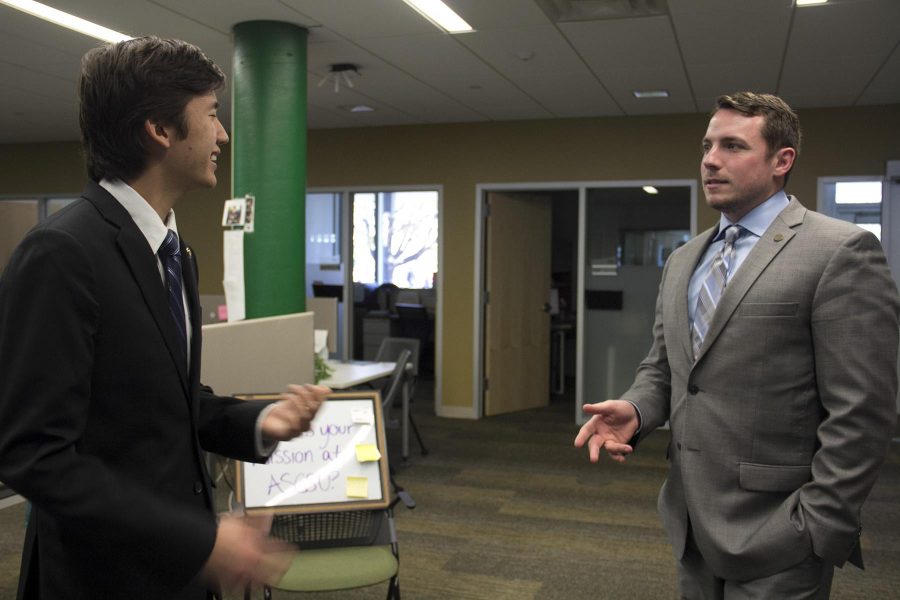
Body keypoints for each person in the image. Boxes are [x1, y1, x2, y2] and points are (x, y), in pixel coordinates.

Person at [0, 36, 330, 599]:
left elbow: (169, 400)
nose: (223, 134)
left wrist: (256, 420)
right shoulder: (62, 253)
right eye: (211, 115)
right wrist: (201, 541)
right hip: (102, 579)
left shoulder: (177, 252)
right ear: (160, 129)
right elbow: (33, 455)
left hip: (178, 573)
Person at [575, 92, 899, 598]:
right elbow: (665, 368)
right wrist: (637, 409)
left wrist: (818, 524)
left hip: (783, 532)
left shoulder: (839, 251)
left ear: (781, 160)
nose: (710, 159)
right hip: (690, 521)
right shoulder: (683, 258)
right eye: (707, 145)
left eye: (732, 146)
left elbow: (863, 412)